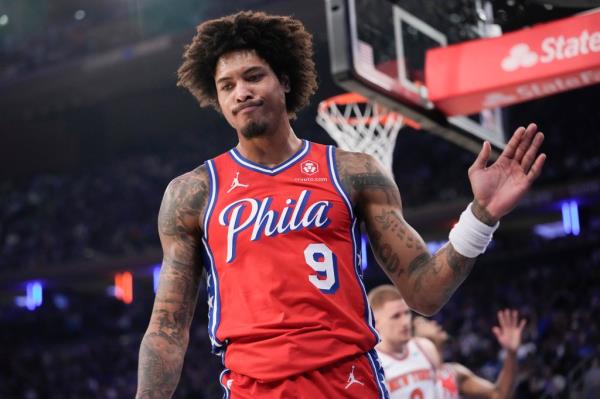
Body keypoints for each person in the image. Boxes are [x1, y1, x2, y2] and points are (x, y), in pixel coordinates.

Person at [135, 10, 546, 399]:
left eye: (253, 77)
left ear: (284, 80)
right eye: (226, 85)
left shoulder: (352, 172)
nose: (241, 92)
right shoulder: (193, 193)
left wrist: (481, 216)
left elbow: (424, 292)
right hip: (254, 388)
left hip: (350, 383)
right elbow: (167, 329)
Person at [413, 310, 525, 399]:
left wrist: (511, 354)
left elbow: (499, 395)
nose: (434, 322)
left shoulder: (453, 372)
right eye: (424, 322)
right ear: (412, 338)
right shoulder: (406, 376)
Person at [369, 284, 442, 398]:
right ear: (375, 323)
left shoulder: (426, 347)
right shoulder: (371, 364)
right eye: (396, 316)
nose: (405, 322)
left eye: (407, 313)